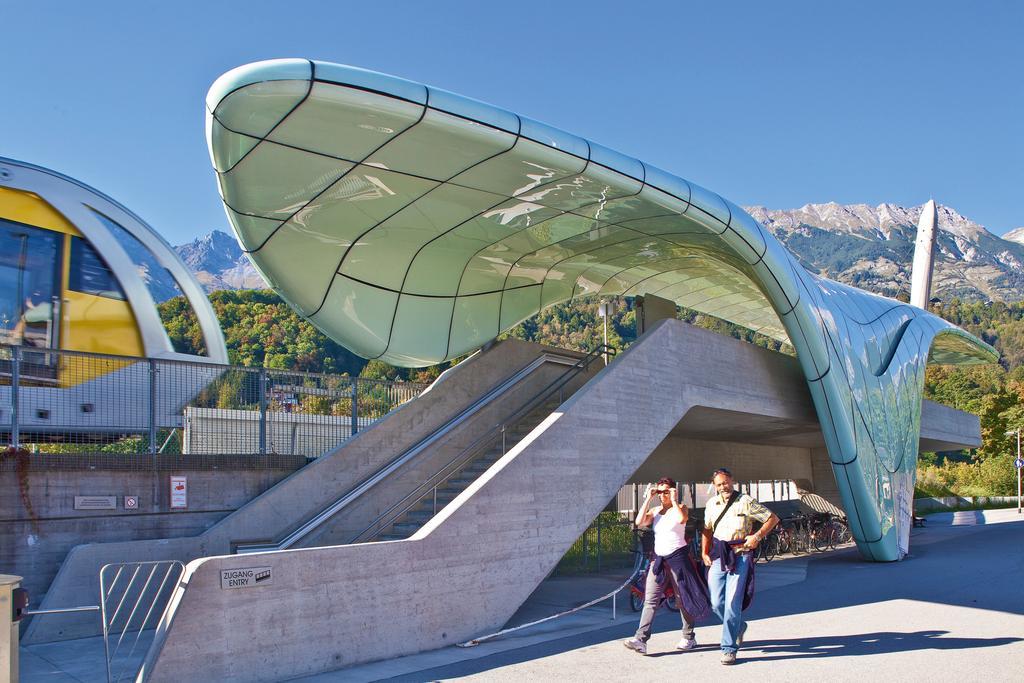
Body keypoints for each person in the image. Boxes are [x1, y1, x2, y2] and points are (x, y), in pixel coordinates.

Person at [701, 467, 780, 665]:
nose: (723, 487)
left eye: (725, 482)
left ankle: (728, 648)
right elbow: (707, 529)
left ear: (732, 481)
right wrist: (704, 552)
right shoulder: (711, 504)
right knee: (716, 602)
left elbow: (772, 518)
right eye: (719, 484)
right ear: (715, 486)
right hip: (719, 554)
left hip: (740, 554)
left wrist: (757, 536)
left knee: (732, 602)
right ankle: (739, 626)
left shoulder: (745, 501)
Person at [623, 477, 706, 655]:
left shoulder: (681, 507)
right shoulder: (655, 510)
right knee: (650, 599)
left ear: (674, 491)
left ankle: (689, 636)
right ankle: (641, 639)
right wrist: (648, 498)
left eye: (666, 491)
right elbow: (639, 522)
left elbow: (681, 519)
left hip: (678, 558)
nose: (663, 495)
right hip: (658, 559)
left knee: (682, 597)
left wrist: (674, 500)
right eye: (660, 491)